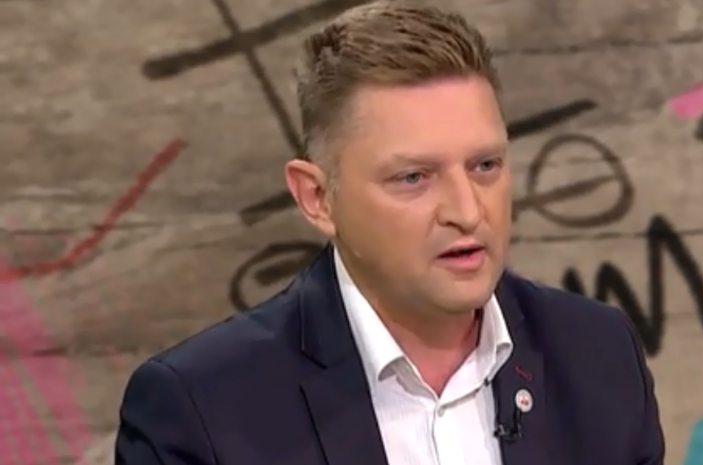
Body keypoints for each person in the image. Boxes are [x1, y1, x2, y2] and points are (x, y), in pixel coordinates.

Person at [115, 2, 665, 464]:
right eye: (413, 177)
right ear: (317, 197)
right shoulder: (201, 410)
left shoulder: (597, 355)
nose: (467, 211)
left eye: (485, 166)